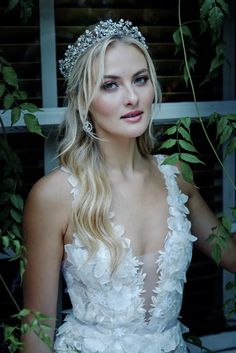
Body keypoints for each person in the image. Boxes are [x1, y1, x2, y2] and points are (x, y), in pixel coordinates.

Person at [22, 19, 236, 353]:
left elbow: (232, 256)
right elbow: (36, 334)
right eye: (110, 85)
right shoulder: (55, 195)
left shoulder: (175, 175)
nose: (133, 97)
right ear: (83, 100)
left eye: (140, 79)